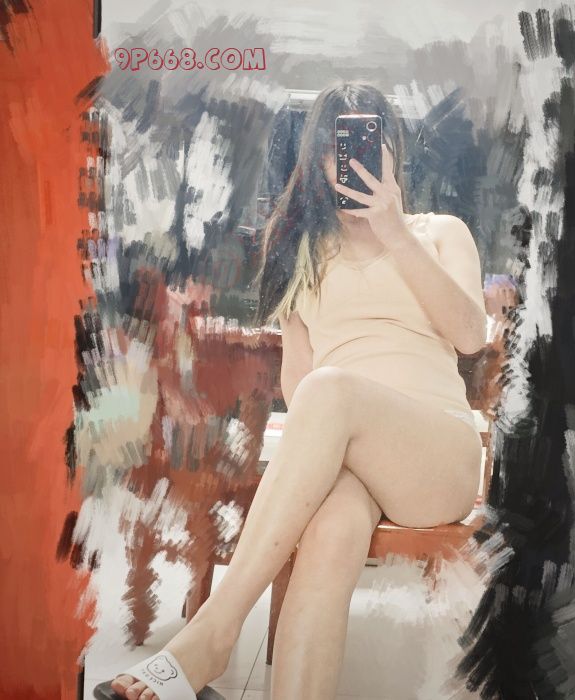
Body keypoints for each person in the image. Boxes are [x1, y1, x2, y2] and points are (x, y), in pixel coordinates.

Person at [104, 81, 487, 700]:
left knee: (330, 390)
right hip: (350, 459)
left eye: (367, 139)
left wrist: (394, 231)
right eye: (337, 146)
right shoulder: (301, 253)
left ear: (391, 148)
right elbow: (300, 384)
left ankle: (213, 633)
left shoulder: (439, 232)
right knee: (329, 534)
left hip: (434, 456)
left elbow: (469, 335)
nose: (352, 159)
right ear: (317, 161)